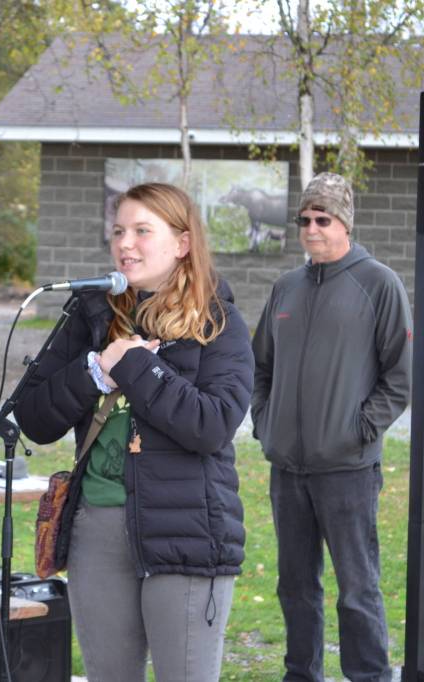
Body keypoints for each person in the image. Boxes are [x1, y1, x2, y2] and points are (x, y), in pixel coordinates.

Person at [15, 182, 254, 681]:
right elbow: (34, 417)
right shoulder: (90, 315)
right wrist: (93, 373)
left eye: (143, 231)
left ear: (182, 243)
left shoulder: (219, 322)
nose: (126, 243)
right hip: (95, 527)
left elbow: (212, 426)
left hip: (184, 530)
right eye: (119, 231)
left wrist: (139, 368)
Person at [251, 172, 412, 682]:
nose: (312, 228)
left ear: (344, 222)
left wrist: (359, 429)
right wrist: (265, 423)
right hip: (289, 470)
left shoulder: (378, 284)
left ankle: (368, 676)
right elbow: (260, 369)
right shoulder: (286, 287)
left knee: (357, 587)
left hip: (348, 468)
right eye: (305, 219)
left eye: (323, 219)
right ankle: (302, 675)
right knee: (295, 587)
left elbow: (400, 376)